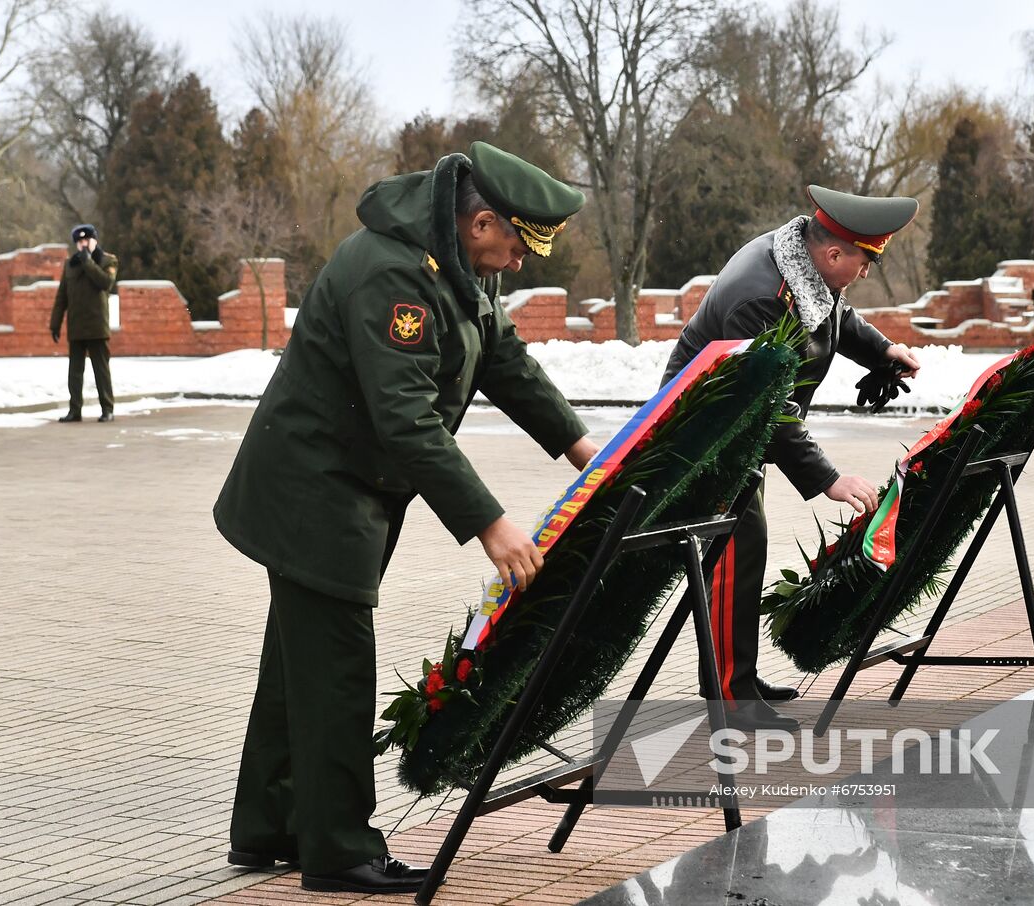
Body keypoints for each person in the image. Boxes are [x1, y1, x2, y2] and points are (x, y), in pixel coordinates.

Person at [213, 142, 600, 895]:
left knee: (300, 671)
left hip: (341, 489)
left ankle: (270, 825)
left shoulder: (454, 263)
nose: (519, 262)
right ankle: (338, 851)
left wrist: (578, 443)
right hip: (312, 492)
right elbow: (406, 421)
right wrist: (490, 523)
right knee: (337, 675)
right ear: (481, 222)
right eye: (518, 244)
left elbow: (501, 354)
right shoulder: (392, 272)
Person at [661, 185, 921, 728]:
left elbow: (835, 315)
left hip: (737, 432)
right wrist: (826, 477)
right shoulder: (763, 295)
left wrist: (881, 350)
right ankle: (731, 702)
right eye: (865, 260)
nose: (867, 273)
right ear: (833, 254)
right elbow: (765, 406)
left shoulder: (800, 264)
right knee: (735, 551)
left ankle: (737, 678)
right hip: (706, 435)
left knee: (744, 549)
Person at [49, 224, 118, 422]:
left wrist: (88, 263)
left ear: (95, 240)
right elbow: (62, 296)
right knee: (75, 372)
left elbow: (105, 283)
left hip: (97, 325)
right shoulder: (70, 264)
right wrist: (55, 323)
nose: (83, 244)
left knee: (101, 370)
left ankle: (107, 409)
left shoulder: (107, 260)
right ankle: (75, 410)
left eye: (86, 240)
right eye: (79, 242)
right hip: (77, 325)